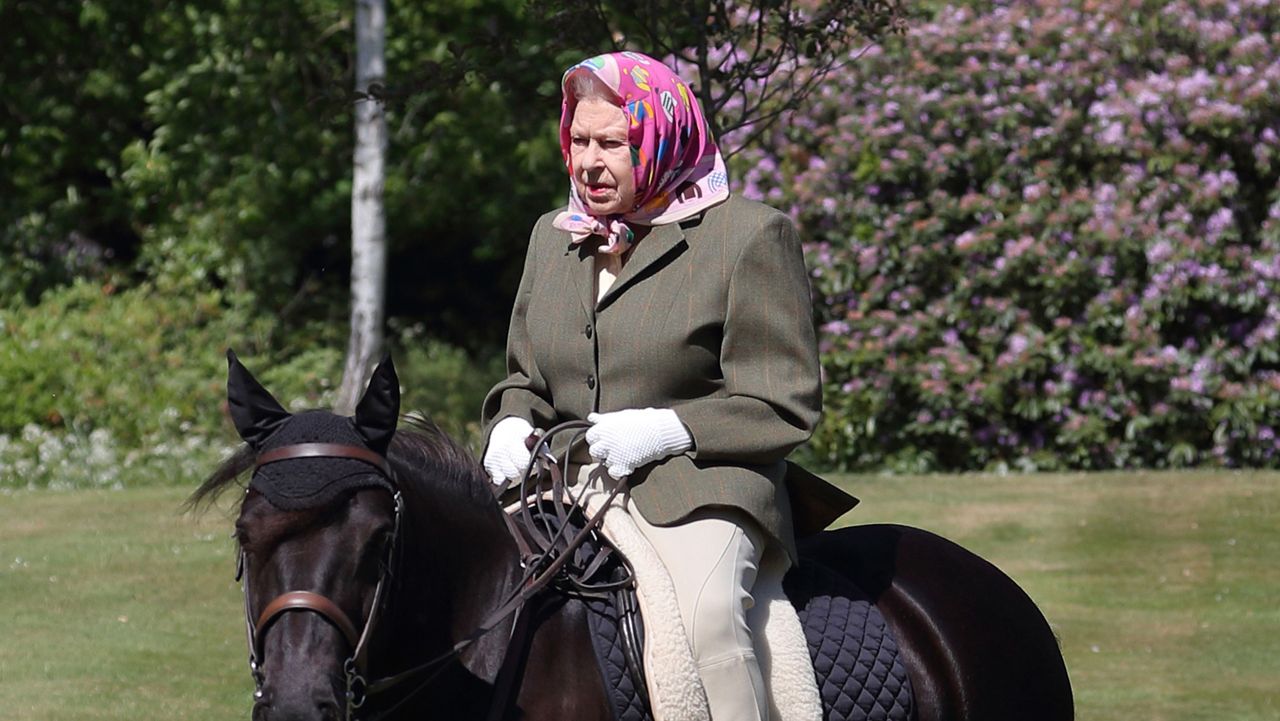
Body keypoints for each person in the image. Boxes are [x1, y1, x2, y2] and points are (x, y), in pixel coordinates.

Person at [480, 51, 849, 720]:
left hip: (702, 483)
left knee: (710, 620)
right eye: (579, 140)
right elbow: (524, 379)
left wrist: (668, 429)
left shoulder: (749, 237)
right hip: (567, 482)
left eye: (612, 143)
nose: (588, 161)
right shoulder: (551, 237)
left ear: (660, 138)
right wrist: (507, 420)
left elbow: (784, 404)